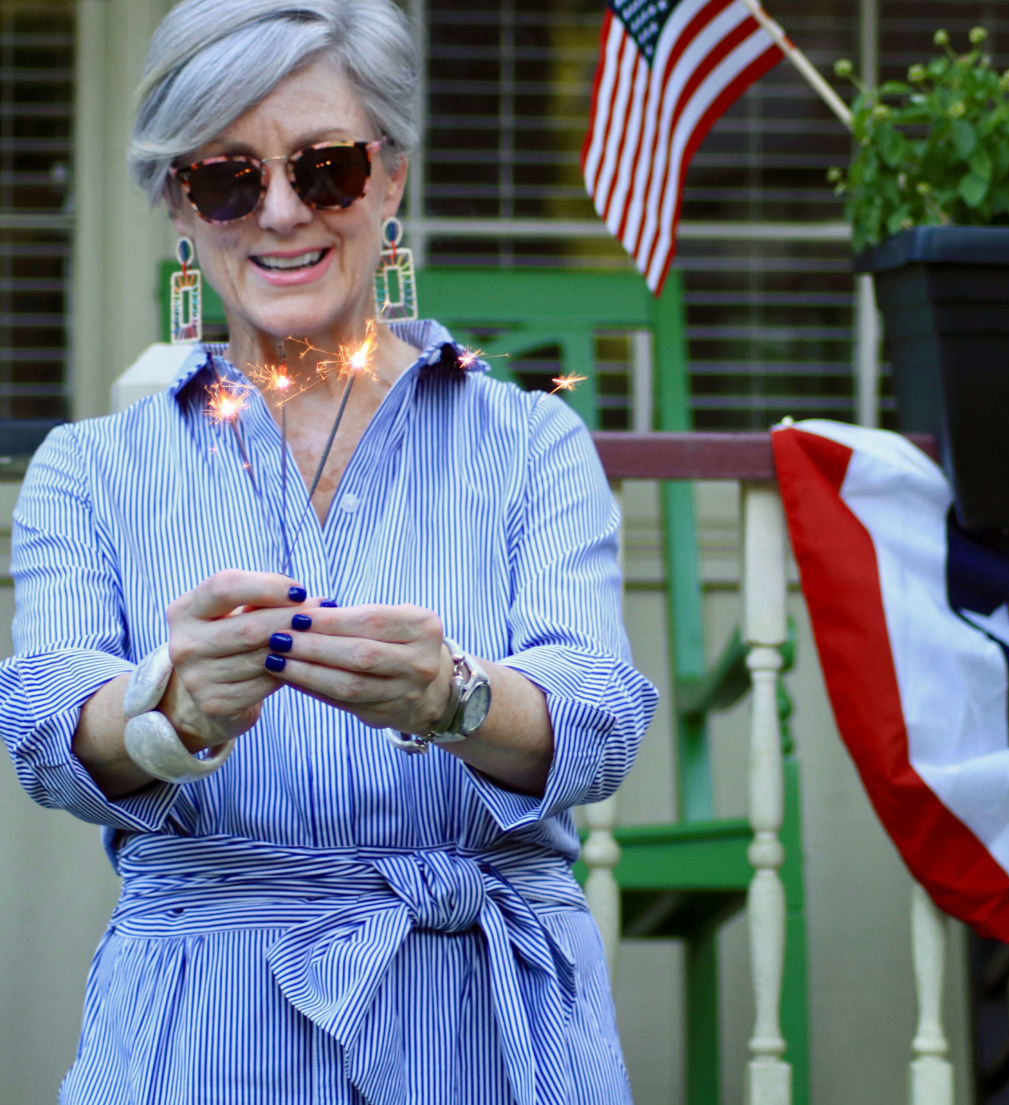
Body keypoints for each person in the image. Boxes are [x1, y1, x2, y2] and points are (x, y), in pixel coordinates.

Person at [0, 1, 656, 1101]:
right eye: (227, 177)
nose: (281, 211)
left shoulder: (533, 441)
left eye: (327, 167)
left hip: (481, 1024)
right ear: (179, 202)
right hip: (202, 1026)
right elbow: (40, 728)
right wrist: (166, 712)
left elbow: (598, 716)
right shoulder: (90, 468)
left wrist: (457, 699)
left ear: (391, 175)